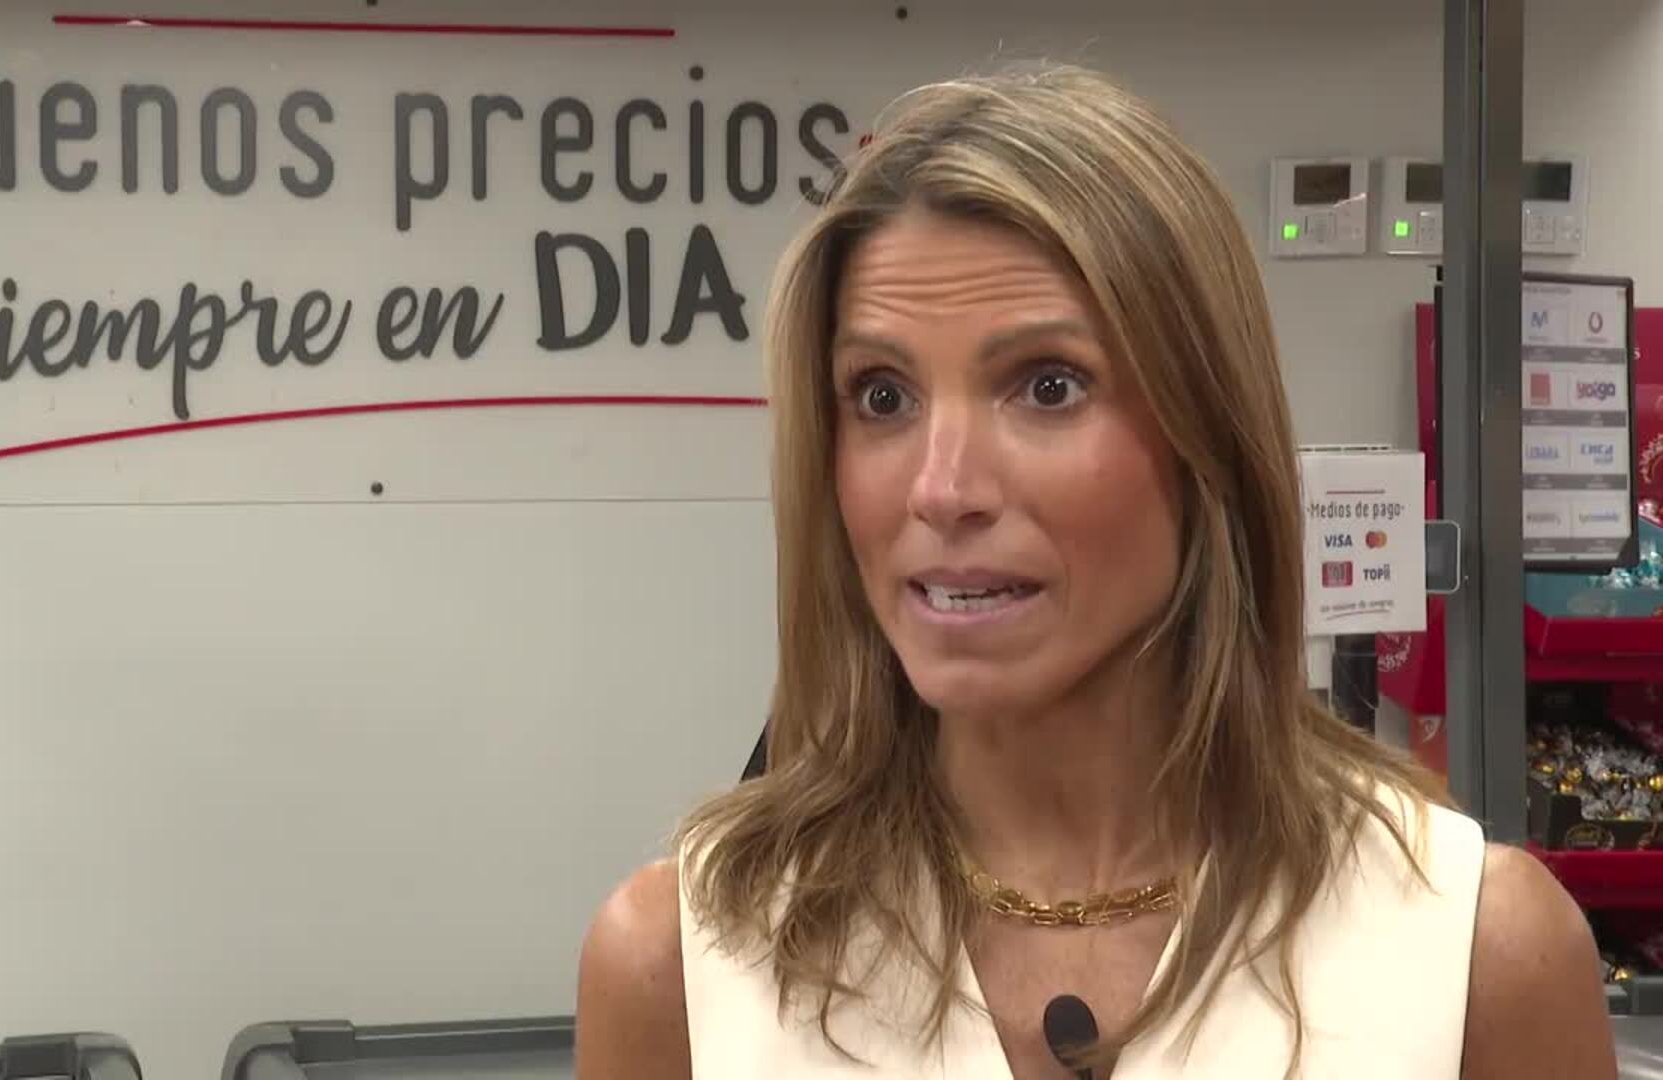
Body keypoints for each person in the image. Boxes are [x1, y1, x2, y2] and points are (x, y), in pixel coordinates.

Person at [574, 64, 1615, 1079]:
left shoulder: (1475, 954)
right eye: (882, 397)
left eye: (1049, 386)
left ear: (1208, 437)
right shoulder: (683, 963)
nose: (941, 489)